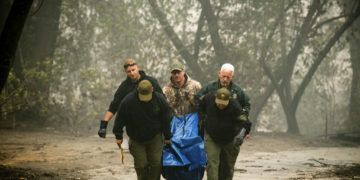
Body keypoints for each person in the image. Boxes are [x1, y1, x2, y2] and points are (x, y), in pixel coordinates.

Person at [113, 80, 172, 180]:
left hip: (155, 137)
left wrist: (167, 136)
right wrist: (118, 136)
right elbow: (120, 119)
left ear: (152, 90)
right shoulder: (128, 101)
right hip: (136, 138)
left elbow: (166, 119)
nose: (145, 99)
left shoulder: (160, 99)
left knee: (156, 163)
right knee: (141, 164)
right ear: (137, 90)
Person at [98, 58, 163, 138]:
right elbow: (114, 106)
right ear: (126, 72)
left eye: (133, 70)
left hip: (153, 123)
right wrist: (103, 125)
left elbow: (162, 101)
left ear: (138, 68)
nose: (132, 73)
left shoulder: (151, 81)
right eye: (129, 71)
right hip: (134, 126)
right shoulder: (124, 87)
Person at [198, 88, 251, 180]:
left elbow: (245, 122)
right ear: (215, 98)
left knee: (228, 166)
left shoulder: (235, 106)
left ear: (228, 100)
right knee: (212, 163)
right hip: (212, 136)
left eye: (223, 104)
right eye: (218, 102)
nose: (220, 105)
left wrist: (243, 133)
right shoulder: (208, 98)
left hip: (229, 139)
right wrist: (204, 118)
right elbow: (200, 107)